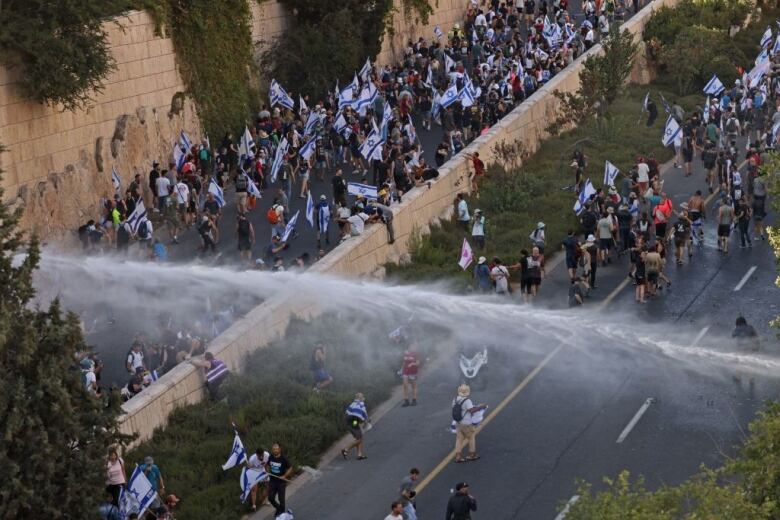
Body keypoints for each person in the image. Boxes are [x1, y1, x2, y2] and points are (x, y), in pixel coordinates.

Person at [452, 384, 487, 463]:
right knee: (471, 438)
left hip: (458, 422)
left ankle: (458, 456)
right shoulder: (467, 401)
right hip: (467, 423)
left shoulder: (455, 399)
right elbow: (471, 410)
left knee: (459, 439)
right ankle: (472, 454)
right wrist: (481, 407)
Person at [266, 443, 293, 517]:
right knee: (270, 498)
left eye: (276, 449)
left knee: (281, 500)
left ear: (279, 449)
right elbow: (268, 465)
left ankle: (283, 515)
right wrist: (268, 471)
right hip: (272, 481)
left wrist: (284, 476)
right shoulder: (271, 457)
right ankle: (278, 509)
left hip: (281, 482)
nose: (275, 451)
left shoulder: (284, 459)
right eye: (274, 449)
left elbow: (290, 468)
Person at [341, 393, 370, 460]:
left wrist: (362, 421)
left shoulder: (354, 403)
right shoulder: (360, 405)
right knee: (359, 438)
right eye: (362, 396)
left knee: (359, 437)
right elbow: (362, 416)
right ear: (359, 398)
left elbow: (356, 416)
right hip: (352, 423)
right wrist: (366, 422)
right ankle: (345, 449)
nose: (364, 397)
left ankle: (359, 455)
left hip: (350, 422)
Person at [248, 448, 270, 512]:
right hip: (254, 472)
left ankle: (263, 500)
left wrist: (267, 473)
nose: (261, 457)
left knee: (268, 486)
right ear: (256, 455)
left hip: (262, 470)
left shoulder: (267, 455)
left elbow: (267, 465)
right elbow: (249, 469)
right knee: (254, 488)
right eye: (259, 456)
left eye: (262, 455)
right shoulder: (252, 459)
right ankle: (254, 505)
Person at [400, 342, 419, 407]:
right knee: (405, 386)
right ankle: (406, 400)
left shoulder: (416, 354)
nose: (412, 347)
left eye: (413, 346)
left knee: (413, 386)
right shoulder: (405, 353)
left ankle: (414, 400)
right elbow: (403, 361)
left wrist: (412, 364)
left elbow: (418, 363)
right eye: (411, 346)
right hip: (405, 371)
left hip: (413, 372)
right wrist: (401, 369)